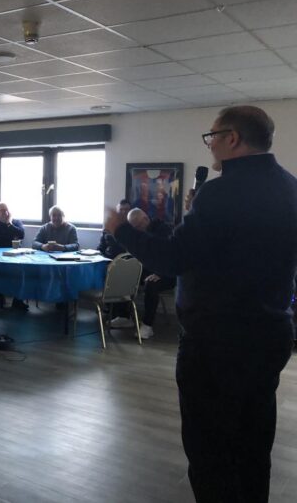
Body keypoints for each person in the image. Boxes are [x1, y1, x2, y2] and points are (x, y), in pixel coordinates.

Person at [104, 105, 296, 503]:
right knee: (253, 442)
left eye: (212, 137)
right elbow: (220, 250)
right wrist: (176, 222)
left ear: (232, 138)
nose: (209, 146)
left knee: (210, 450)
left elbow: (174, 260)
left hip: (217, 342)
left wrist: (121, 229)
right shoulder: (290, 187)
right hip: (270, 334)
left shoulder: (220, 192)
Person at [108, 208, 175, 340]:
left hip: (167, 273)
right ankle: (124, 316)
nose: (137, 230)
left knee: (152, 283)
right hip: (147, 269)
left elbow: (170, 256)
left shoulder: (164, 230)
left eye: (138, 226)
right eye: (134, 228)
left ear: (146, 219)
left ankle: (147, 325)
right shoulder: (138, 233)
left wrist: (160, 273)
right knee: (125, 275)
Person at [0, 202, 27, 309]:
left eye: (7, 210)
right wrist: (11, 234)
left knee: (20, 270)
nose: (5, 213)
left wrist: (8, 224)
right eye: (2, 211)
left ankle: (18, 300)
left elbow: (21, 235)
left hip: (13, 255)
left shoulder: (16, 222)